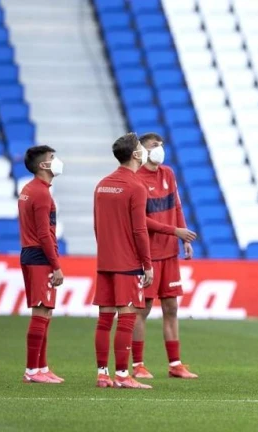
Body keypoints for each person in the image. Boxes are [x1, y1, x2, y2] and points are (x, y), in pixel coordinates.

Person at [131, 133, 198, 380]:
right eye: (154, 146)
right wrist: (174, 231)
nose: (159, 149)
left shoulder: (168, 173)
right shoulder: (136, 179)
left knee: (171, 307)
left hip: (170, 253)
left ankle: (175, 364)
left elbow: (176, 206)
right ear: (143, 151)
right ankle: (138, 365)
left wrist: (184, 237)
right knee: (143, 308)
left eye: (161, 145)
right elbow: (140, 220)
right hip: (148, 254)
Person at [93, 133, 155, 389]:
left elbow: (97, 226)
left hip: (105, 262)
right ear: (136, 154)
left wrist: (107, 252)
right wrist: (147, 264)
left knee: (104, 320)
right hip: (127, 263)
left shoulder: (102, 184)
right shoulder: (136, 187)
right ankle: (122, 375)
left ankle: (102, 374)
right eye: (141, 147)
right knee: (127, 319)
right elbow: (140, 230)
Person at [18, 145, 65, 384]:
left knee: (45, 311)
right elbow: (44, 233)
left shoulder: (29, 189)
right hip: (39, 256)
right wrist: (56, 265)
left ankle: (42, 366)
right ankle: (31, 370)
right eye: (52, 157)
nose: (56, 161)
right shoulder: (41, 193)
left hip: (30, 253)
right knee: (40, 311)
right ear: (43, 165)